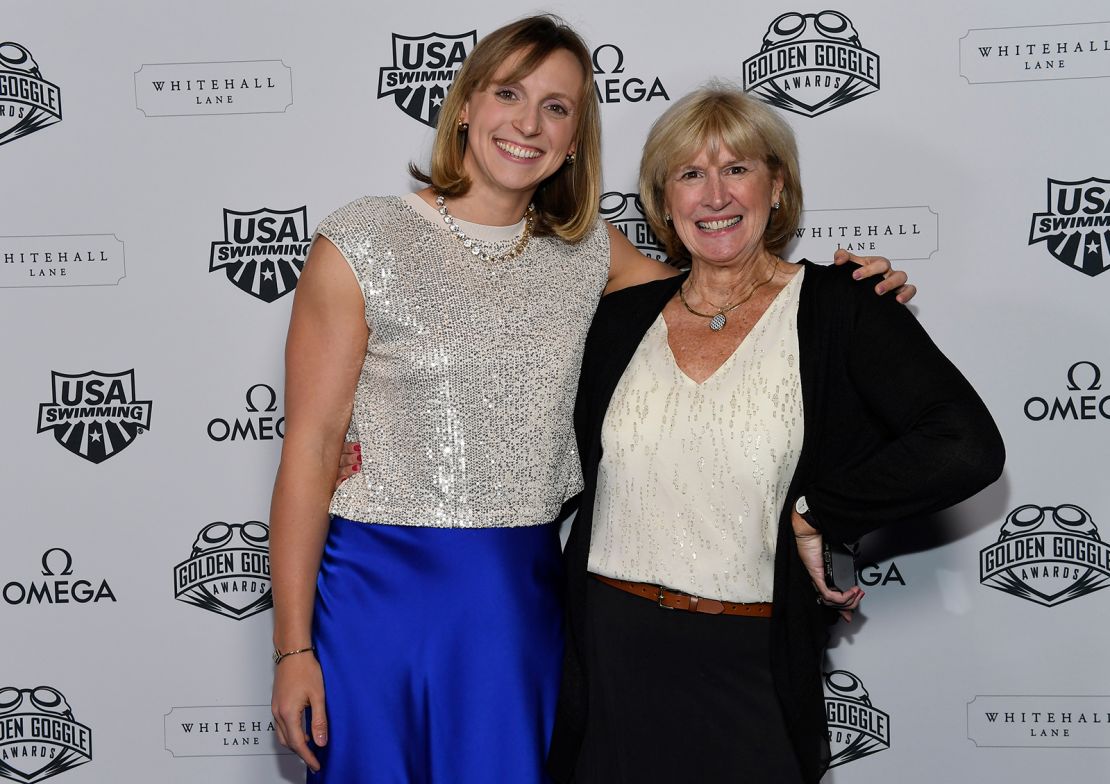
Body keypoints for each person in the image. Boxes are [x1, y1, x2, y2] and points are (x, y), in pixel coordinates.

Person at [271, 15, 913, 784]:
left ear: (575, 139)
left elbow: (727, 288)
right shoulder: (363, 238)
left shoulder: (588, 252)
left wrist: (844, 292)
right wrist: (293, 648)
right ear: (466, 106)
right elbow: (311, 450)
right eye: (509, 93)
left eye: (557, 106)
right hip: (376, 595)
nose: (528, 123)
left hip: (523, 600)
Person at [543, 85, 1005, 784]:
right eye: (690, 174)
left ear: (777, 185)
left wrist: (819, 514)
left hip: (751, 657)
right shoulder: (619, 319)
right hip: (609, 650)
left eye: (737, 169)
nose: (715, 195)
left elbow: (964, 444)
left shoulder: (842, 306)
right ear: (663, 202)